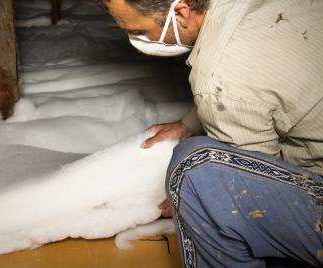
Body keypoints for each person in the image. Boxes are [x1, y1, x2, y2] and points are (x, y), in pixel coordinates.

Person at [99, 0, 323, 267]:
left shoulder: (219, 75)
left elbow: (244, 188)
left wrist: (186, 200)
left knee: (195, 173)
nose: (136, 39)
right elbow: (265, 87)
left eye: (139, 31)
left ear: (180, 13)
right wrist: (189, 123)